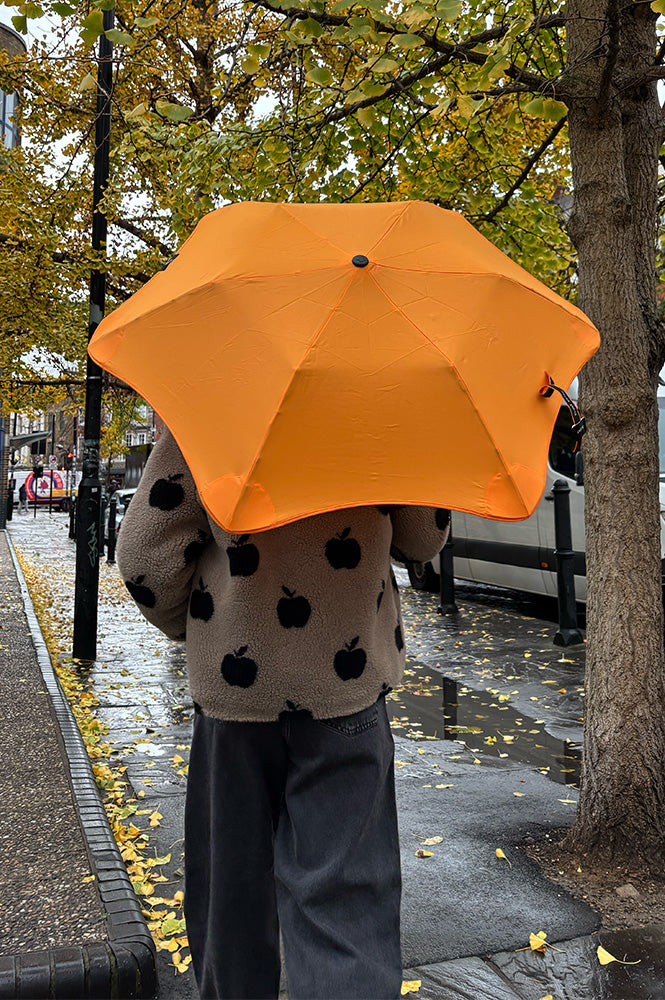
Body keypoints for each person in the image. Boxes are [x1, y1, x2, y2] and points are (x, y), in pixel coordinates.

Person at [117, 427, 449, 1000]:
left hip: (235, 696)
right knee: (347, 909)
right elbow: (423, 538)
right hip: (346, 690)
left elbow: (146, 559)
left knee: (232, 902)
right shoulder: (385, 402)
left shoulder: (214, 397)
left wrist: (204, 628)